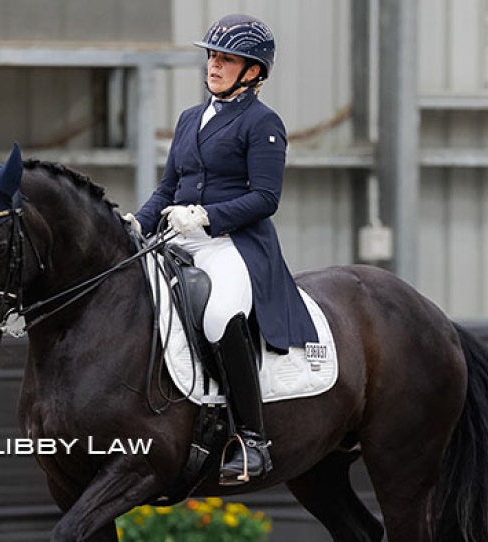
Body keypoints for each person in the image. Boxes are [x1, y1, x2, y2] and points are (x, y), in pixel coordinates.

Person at [125, 14, 318, 485]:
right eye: (211, 56)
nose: (213, 65)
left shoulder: (263, 123)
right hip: (180, 238)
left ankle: (253, 440)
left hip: (233, 243)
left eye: (225, 58)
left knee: (217, 316)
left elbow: (266, 197)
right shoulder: (190, 118)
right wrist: (136, 222)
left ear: (252, 70)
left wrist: (208, 216)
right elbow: (168, 186)